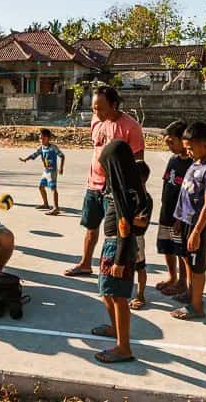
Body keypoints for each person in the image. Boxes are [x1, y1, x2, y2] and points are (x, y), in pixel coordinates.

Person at [65, 86, 144, 277]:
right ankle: (85, 264)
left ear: (114, 105)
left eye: (100, 108)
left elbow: (139, 164)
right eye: (94, 108)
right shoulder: (96, 121)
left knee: (115, 233)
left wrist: (136, 197)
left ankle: (116, 267)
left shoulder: (131, 127)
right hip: (93, 184)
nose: (96, 112)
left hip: (115, 190)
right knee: (90, 228)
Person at [91, 140, 144, 363]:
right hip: (112, 244)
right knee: (107, 292)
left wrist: (120, 260)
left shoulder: (125, 190)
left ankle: (124, 347)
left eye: (106, 165)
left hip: (119, 248)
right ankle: (115, 329)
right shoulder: (120, 187)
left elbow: (126, 226)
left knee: (119, 296)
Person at [172, 121, 206, 320]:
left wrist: (197, 231)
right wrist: (178, 218)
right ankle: (190, 293)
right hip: (185, 221)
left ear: (205, 145)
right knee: (187, 259)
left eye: (191, 148)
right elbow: (185, 193)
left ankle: (197, 306)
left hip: (198, 226)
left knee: (198, 266)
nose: (189, 152)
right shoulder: (196, 163)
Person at [156, 120, 192, 297]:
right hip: (166, 210)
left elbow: (189, 195)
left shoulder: (192, 164)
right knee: (167, 246)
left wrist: (180, 218)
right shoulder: (173, 159)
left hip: (181, 216)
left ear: (182, 139)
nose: (169, 146)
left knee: (181, 249)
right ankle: (172, 277)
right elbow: (166, 184)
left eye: (171, 141)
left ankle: (182, 282)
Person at [19, 128, 65, 216]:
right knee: (41, 187)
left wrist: (61, 168)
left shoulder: (53, 147)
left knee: (53, 188)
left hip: (52, 171)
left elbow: (62, 156)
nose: (41, 140)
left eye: (43, 138)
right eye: (40, 138)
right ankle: (46, 204)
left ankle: (56, 208)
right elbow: (34, 155)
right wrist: (25, 159)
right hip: (46, 171)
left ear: (48, 138)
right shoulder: (41, 148)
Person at [129, 160, 153, 310]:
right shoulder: (131, 194)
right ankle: (125, 292)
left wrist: (124, 217)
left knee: (140, 267)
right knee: (127, 267)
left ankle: (140, 295)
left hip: (137, 238)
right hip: (126, 236)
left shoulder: (145, 199)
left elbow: (143, 222)